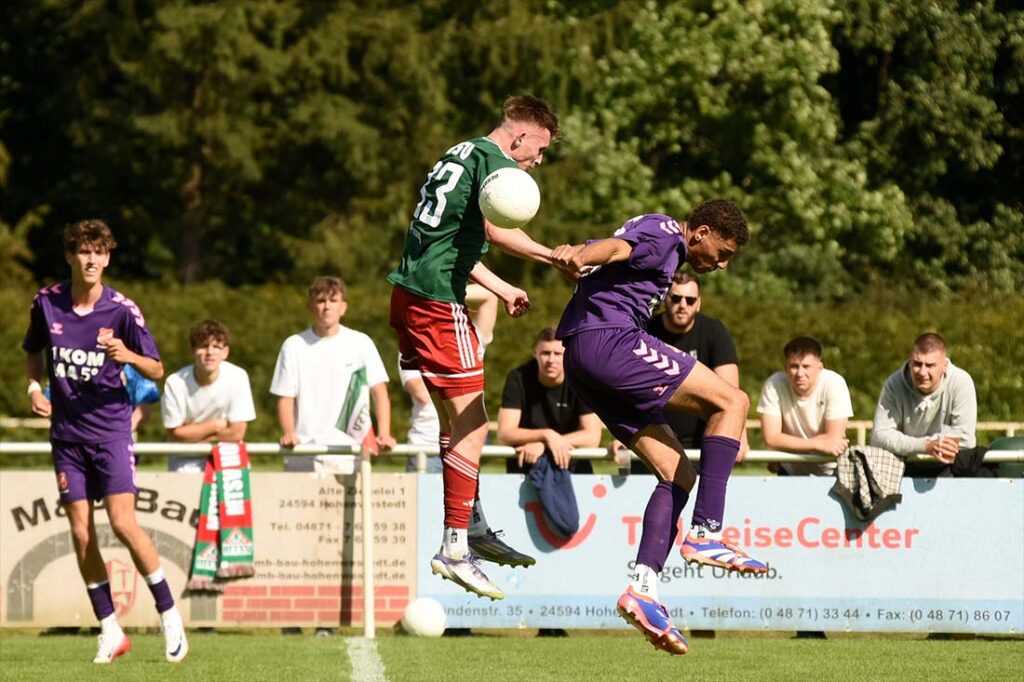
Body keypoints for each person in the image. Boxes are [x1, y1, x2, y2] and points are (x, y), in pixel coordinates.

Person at [551, 199, 766, 656]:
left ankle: (643, 589)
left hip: (581, 360)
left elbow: (611, 255)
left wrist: (578, 261)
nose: (722, 265)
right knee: (734, 401)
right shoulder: (667, 234)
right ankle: (706, 532)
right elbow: (614, 249)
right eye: (722, 253)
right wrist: (582, 256)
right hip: (611, 342)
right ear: (700, 232)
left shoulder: (654, 231)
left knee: (678, 474)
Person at [388, 94, 562, 600]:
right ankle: (455, 547)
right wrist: (555, 256)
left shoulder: (461, 152)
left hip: (410, 294)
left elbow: (456, 241)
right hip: (437, 303)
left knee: (453, 423)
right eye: (540, 149)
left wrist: (503, 287)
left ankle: (473, 524)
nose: (539, 160)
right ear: (520, 136)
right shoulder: (495, 163)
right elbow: (496, 231)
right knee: (475, 423)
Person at [21, 219, 187, 664]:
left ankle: (168, 613)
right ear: (70, 256)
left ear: (108, 258)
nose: (91, 259)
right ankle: (110, 629)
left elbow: (157, 368)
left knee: (123, 523)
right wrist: (34, 388)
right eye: (83, 251)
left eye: (99, 252)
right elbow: (32, 350)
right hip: (67, 437)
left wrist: (128, 355)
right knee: (80, 532)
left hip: (111, 432)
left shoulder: (122, 310)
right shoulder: (46, 302)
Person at [612, 271, 748, 473]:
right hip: (651, 440)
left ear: (698, 303)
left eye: (690, 300)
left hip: (700, 446)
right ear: (665, 299)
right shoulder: (644, 330)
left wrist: (738, 434)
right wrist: (622, 434)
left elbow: (731, 392)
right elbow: (624, 388)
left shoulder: (714, 332)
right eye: (676, 298)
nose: (683, 305)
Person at [270, 276, 396, 471]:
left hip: (351, 452)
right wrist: (289, 433)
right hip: (304, 451)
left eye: (333, 300)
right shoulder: (293, 345)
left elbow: (379, 392)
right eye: (321, 301)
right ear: (311, 306)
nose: (327, 306)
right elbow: (285, 397)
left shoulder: (361, 343)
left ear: (343, 307)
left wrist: (384, 433)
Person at [871, 333, 988, 478]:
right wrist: (926, 446)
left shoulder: (961, 382)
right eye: (917, 364)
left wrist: (935, 446)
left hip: (948, 467)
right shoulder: (894, 384)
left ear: (945, 366)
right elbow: (879, 436)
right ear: (909, 362)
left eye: (930, 365)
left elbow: (965, 438)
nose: (922, 372)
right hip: (904, 465)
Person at [498, 326, 602, 475]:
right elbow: (504, 435)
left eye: (558, 354)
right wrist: (546, 435)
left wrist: (545, 444)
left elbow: (592, 438)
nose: (551, 360)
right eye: (545, 353)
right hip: (526, 466)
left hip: (573, 467)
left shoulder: (581, 380)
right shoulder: (518, 378)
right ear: (535, 353)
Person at [161, 319, 256, 471]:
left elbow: (237, 433)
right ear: (192, 351)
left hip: (228, 459)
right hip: (185, 462)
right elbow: (176, 434)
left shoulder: (238, 376)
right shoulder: (175, 382)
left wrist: (194, 437)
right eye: (203, 346)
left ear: (225, 352)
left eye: (216, 347)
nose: (210, 353)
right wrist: (215, 426)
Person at [757, 335, 852, 477]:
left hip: (830, 469)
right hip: (789, 470)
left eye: (806, 366)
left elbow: (833, 439)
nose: (800, 373)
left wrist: (783, 445)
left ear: (820, 367)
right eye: (794, 366)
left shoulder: (835, 383)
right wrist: (817, 445)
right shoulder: (774, 385)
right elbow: (771, 439)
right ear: (785, 368)